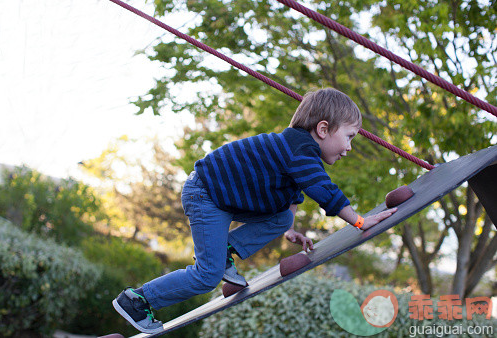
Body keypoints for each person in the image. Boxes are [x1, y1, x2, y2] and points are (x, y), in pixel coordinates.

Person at [112, 88, 397, 333]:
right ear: (323, 130)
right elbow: (322, 189)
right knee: (207, 275)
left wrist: (290, 229)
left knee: (282, 215)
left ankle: (225, 253)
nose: (349, 148)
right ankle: (137, 300)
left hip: (224, 198)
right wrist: (359, 221)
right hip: (206, 194)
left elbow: (293, 196)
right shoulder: (300, 150)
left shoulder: (297, 152)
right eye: (349, 137)